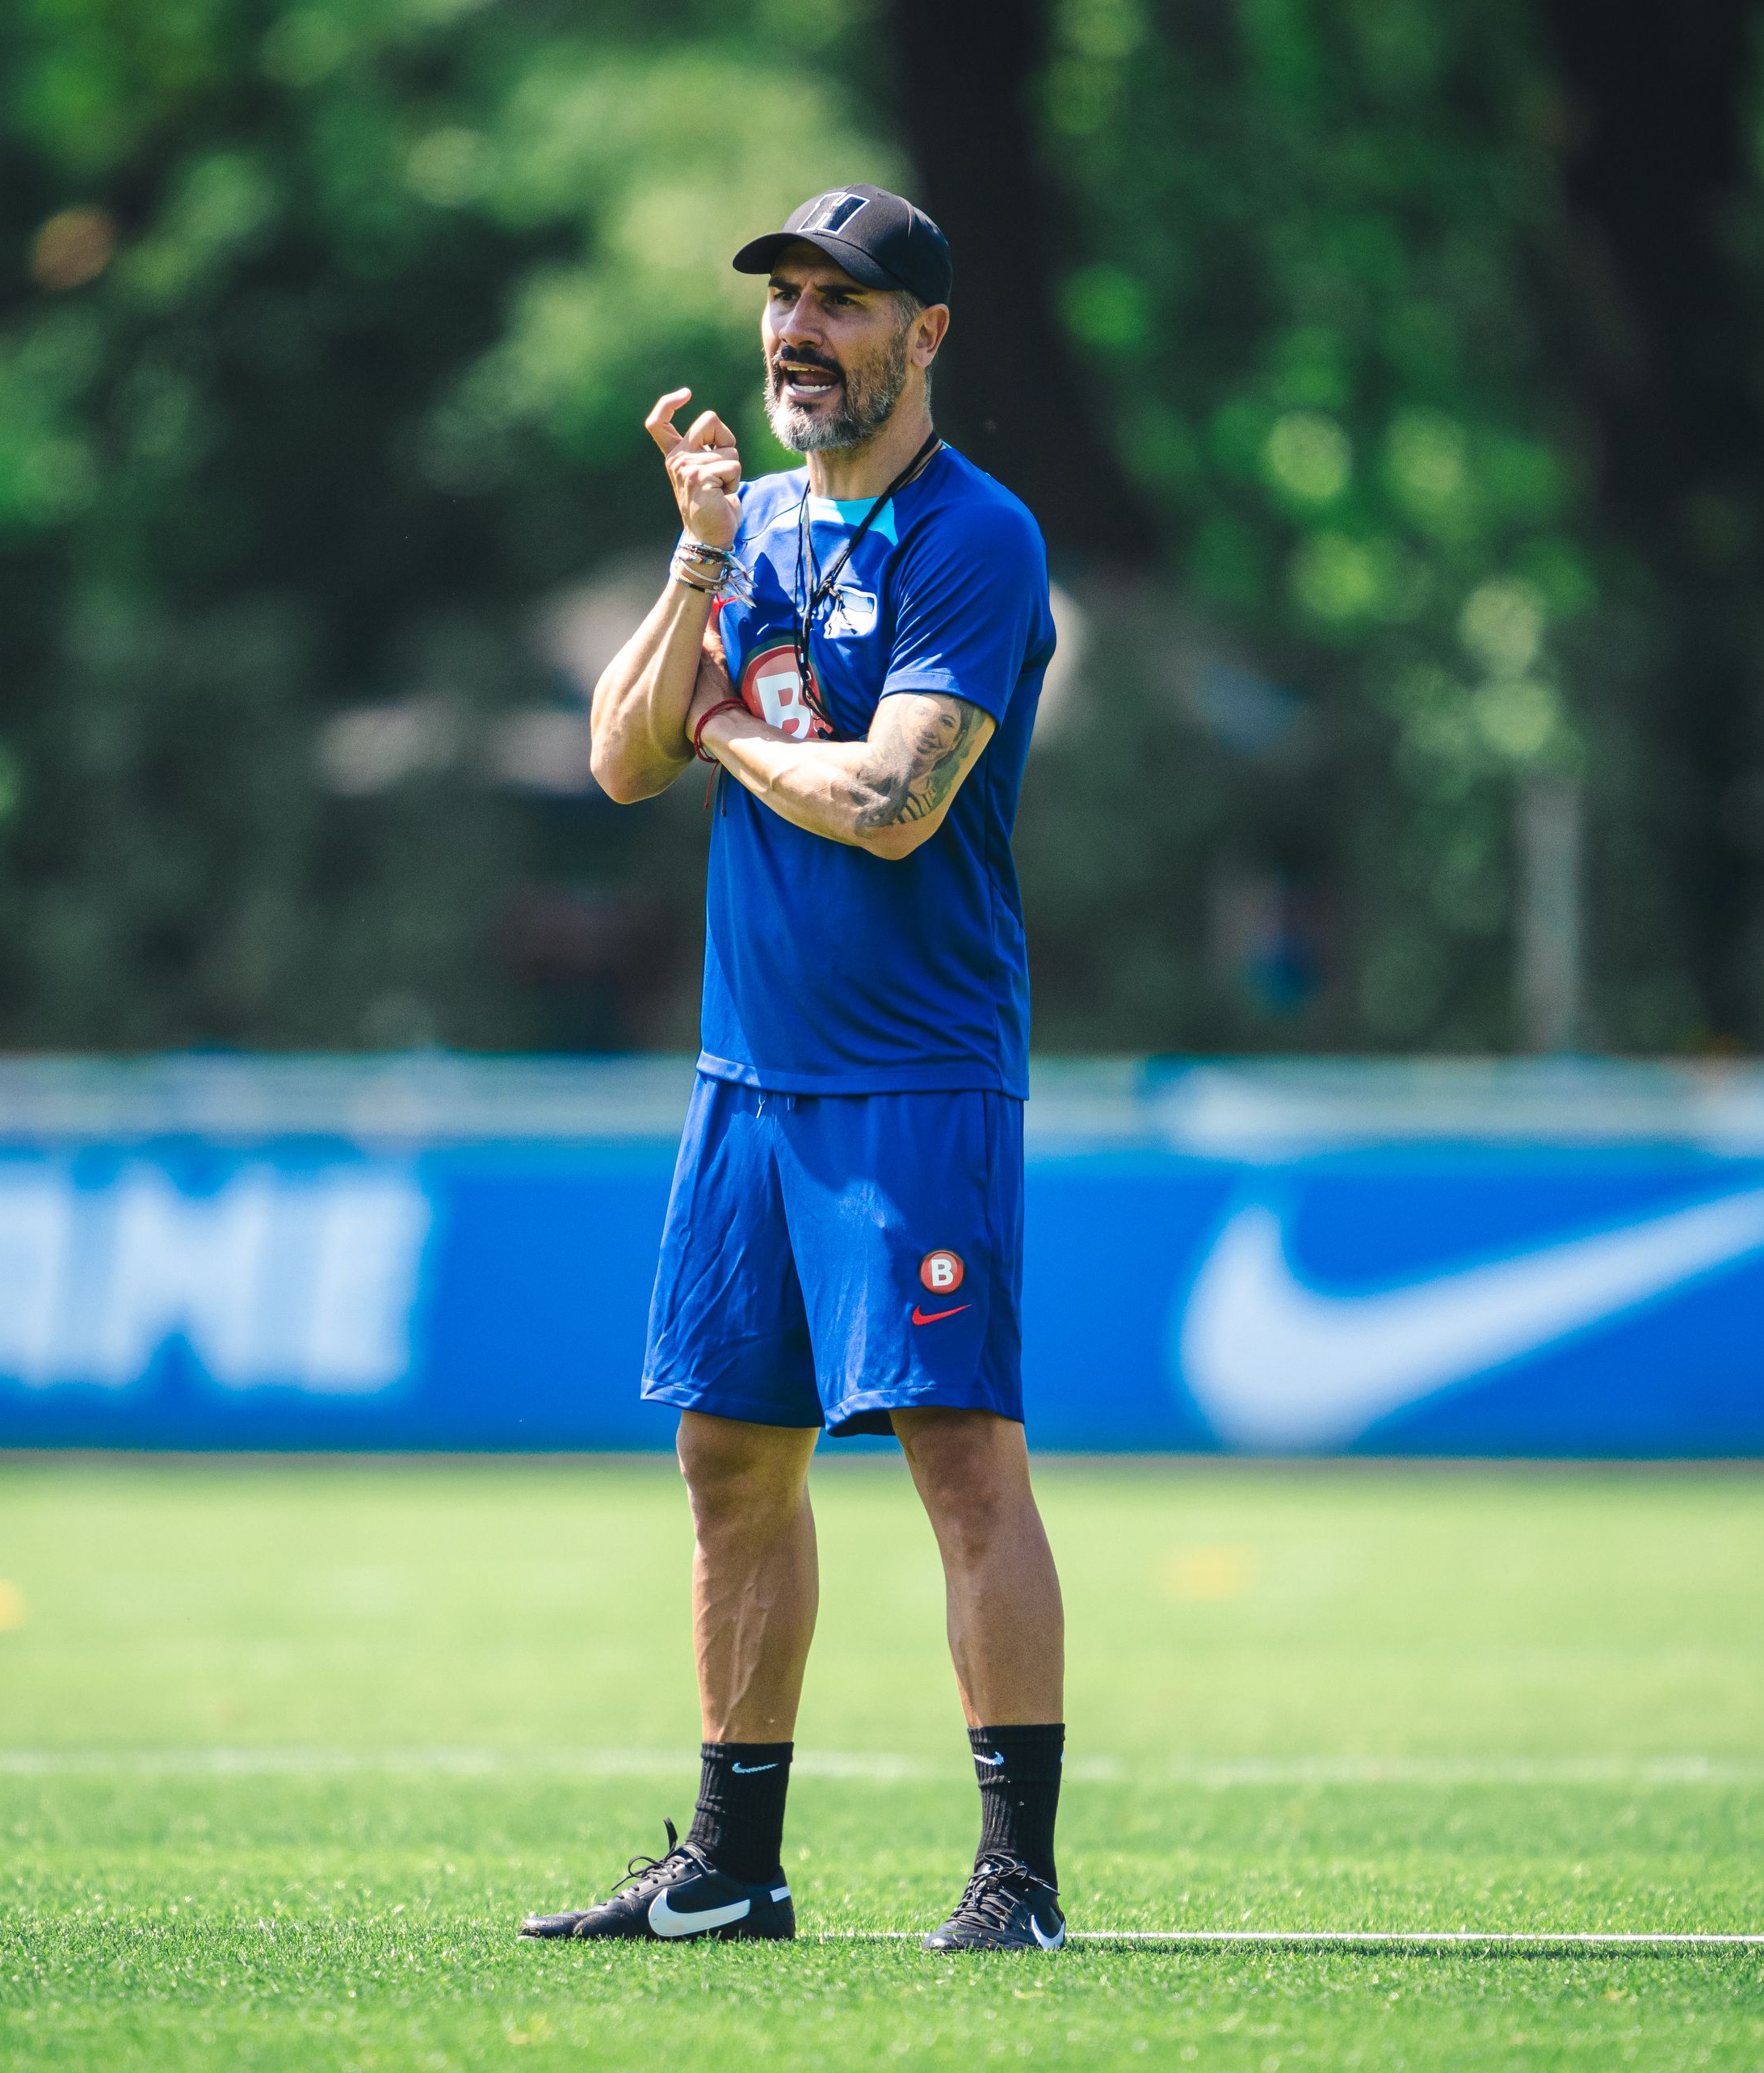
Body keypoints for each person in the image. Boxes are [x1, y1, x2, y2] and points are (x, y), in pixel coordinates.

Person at [519, 185, 1069, 1953]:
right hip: (743, 1079)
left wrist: (734, 728)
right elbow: (617, 759)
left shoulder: (973, 538)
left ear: (926, 336)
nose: (800, 331)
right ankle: (731, 1866)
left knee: (959, 1458)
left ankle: (1015, 1876)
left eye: (844, 302)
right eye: (785, 300)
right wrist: (688, 562)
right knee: (728, 1460)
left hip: (910, 1078)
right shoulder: (745, 524)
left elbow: (893, 805)